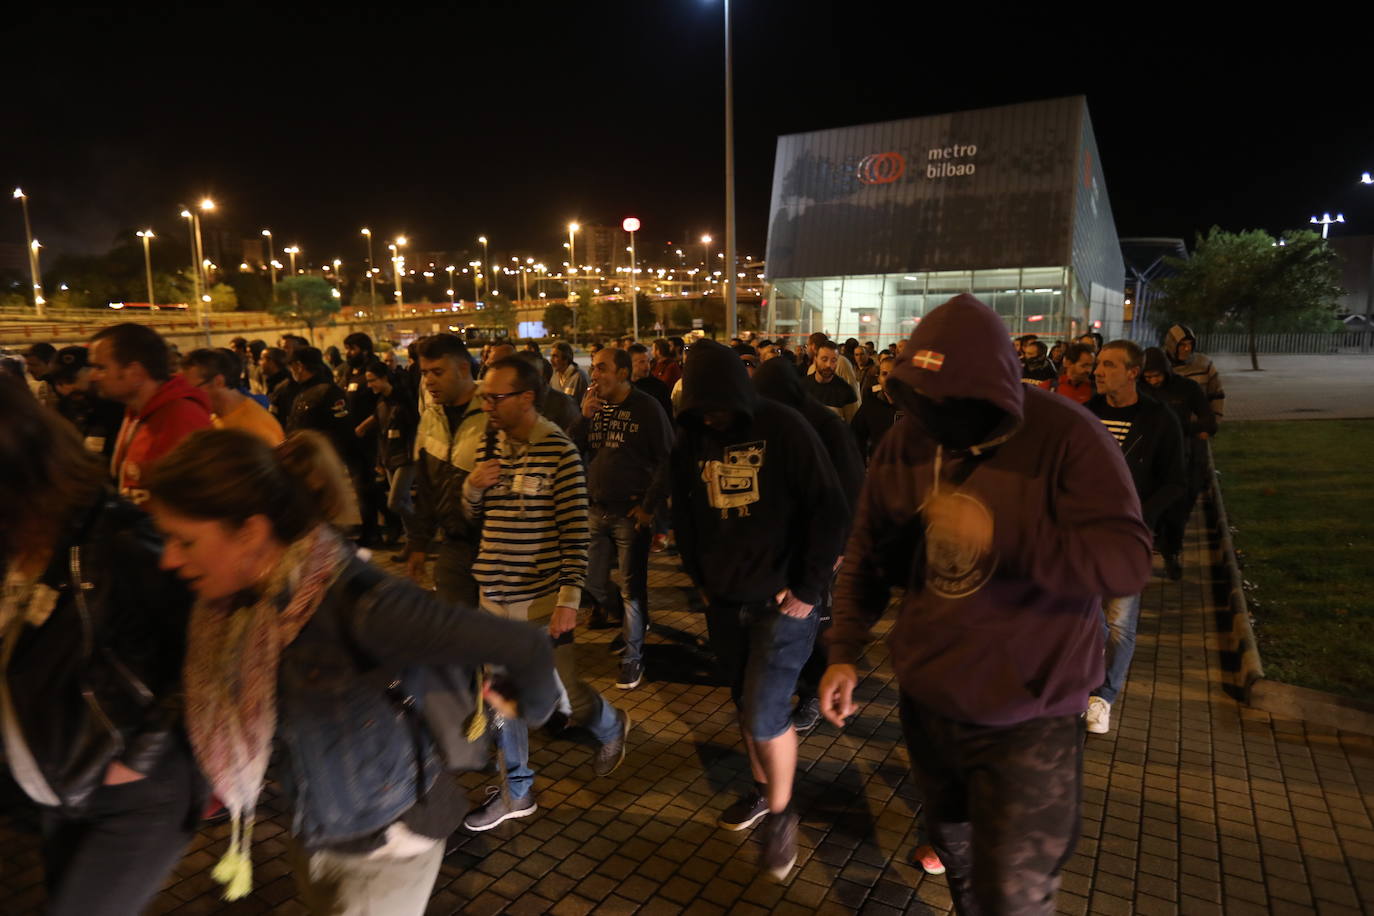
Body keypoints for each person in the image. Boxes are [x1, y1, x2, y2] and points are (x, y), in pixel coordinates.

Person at [820, 294, 1152, 914]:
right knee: (959, 857)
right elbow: (866, 551)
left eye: (955, 404)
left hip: (1032, 714)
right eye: (924, 401)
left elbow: (1128, 560)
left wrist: (1009, 538)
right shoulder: (907, 441)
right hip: (931, 704)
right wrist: (843, 651)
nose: (938, 420)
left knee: (1014, 894)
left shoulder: (1067, 435)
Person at [144, 427, 560, 913]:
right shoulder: (237, 605)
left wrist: (527, 707)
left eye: (185, 540)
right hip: (318, 826)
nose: (169, 558)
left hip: (385, 844)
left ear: (250, 532)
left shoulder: (358, 603)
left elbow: (525, 645)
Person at [0, 379, 200, 916]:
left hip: (133, 794)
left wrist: (137, 758)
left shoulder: (118, 540)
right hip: (56, 783)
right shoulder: (17, 540)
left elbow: (200, 653)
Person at [672, 339, 848, 880]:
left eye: (719, 406)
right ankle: (764, 790)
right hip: (725, 601)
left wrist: (807, 589)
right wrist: (700, 579)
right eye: (702, 408)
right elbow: (684, 510)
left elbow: (831, 507)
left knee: (766, 712)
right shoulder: (691, 435)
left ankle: (781, 814)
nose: (713, 417)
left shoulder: (785, 427)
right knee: (745, 708)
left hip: (783, 603)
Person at [460, 357, 632, 830]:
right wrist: (472, 488)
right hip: (493, 600)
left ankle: (611, 724)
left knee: (565, 698)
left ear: (526, 398)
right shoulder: (489, 444)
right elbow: (474, 517)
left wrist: (568, 600)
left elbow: (575, 533)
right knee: (500, 697)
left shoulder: (559, 452)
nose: (487, 406)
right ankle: (517, 790)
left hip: (540, 604)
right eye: (484, 397)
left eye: (495, 397)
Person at [752, 358, 864, 735]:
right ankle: (798, 683)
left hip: (827, 544)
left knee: (818, 619)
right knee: (794, 618)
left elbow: (850, 490)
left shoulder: (827, 426)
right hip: (791, 541)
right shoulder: (777, 421)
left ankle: (816, 691)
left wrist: (839, 549)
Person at [1085, 341, 1186, 735]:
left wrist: (1140, 516)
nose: (1098, 371)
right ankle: (1079, 685)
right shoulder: (1087, 413)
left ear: (1133, 372)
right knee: (1084, 614)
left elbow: (1175, 481)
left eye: (1109, 365)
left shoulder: (1159, 419)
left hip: (1129, 537)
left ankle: (1102, 698)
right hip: (1086, 532)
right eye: (1098, 364)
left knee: (1119, 620)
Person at [574, 347, 673, 690]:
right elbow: (572, 448)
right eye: (594, 368)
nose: (595, 374)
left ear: (623, 373)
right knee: (592, 581)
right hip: (595, 509)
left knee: (633, 589)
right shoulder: (593, 406)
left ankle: (633, 656)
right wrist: (583, 417)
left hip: (629, 514)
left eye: (602, 368)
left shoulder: (646, 407)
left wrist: (649, 507)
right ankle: (635, 622)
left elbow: (666, 460)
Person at [87, 322, 212, 504]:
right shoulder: (136, 412)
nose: (92, 376)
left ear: (135, 373)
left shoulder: (181, 418)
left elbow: (201, 500)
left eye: (101, 368)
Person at [406, 334, 486, 606]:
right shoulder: (430, 418)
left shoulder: (493, 411)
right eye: (424, 373)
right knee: (454, 624)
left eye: (437, 372)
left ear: (463, 368)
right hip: (453, 545)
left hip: (497, 546)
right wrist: (419, 544)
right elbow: (426, 488)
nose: (428, 381)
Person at [1142, 346, 1217, 580]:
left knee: (1176, 509)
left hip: (1179, 458)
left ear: (1166, 371)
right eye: (1148, 377)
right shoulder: (1139, 389)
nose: (1153, 381)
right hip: (1148, 460)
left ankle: (1171, 553)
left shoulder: (1187, 388)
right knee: (1149, 510)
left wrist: (1184, 429)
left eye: (1156, 376)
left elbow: (1208, 420)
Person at [365, 359, 420, 550]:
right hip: (389, 457)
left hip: (405, 457)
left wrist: (413, 455)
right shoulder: (380, 402)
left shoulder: (404, 399)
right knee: (403, 500)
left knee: (394, 502)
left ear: (384, 378)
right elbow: (381, 433)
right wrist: (380, 460)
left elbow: (414, 428)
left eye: (372, 380)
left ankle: (422, 531)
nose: (369, 385)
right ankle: (413, 543)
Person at [337, 333, 385, 547]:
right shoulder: (349, 372)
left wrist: (365, 426)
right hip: (351, 438)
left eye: (352, 348)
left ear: (364, 350)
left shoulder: (374, 370)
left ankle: (373, 531)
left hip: (370, 439)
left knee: (366, 486)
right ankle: (377, 526)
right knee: (362, 488)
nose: (348, 353)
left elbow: (382, 405)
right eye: (347, 348)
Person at [180, 348, 284, 445]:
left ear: (218, 382)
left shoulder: (255, 430)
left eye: (192, 389)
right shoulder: (217, 416)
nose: (187, 396)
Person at [49, 345, 126, 460]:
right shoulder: (62, 410)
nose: (65, 388)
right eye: (58, 382)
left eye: (70, 379)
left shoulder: (118, 409)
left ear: (93, 373)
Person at [283, 347, 353, 464]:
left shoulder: (329, 392)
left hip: (322, 461)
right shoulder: (303, 391)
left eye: (291, 366)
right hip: (307, 459)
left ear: (299, 366)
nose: (291, 371)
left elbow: (342, 431)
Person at [1163, 324, 1225, 423]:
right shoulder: (1160, 366)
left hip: (1198, 426)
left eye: (1190, 344)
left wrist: (1213, 422)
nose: (1187, 348)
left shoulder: (1204, 364)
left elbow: (1217, 394)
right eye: (1182, 344)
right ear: (1172, 345)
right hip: (1169, 426)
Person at [850, 353, 900, 463]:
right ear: (879, 379)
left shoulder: (912, 405)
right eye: (884, 374)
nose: (889, 378)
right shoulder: (871, 404)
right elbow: (856, 435)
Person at [804, 339, 859, 423]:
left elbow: (853, 425)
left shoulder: (846, 391)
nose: (828, 365)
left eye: (833, 360)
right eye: (824, 359)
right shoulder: (803, 386)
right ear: (815, 359)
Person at [628, 342, 673, 418]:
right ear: (629, 363)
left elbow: (667, 417)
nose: (647, 366)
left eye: (648, 361)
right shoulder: (623, 387)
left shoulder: (659, 387)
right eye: (642, 362)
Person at [22, 342, 59, 407]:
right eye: (27, 364)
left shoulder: (63, 388)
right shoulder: (47, 385)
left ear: (50, 364)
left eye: (34, 365)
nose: (28, 370)